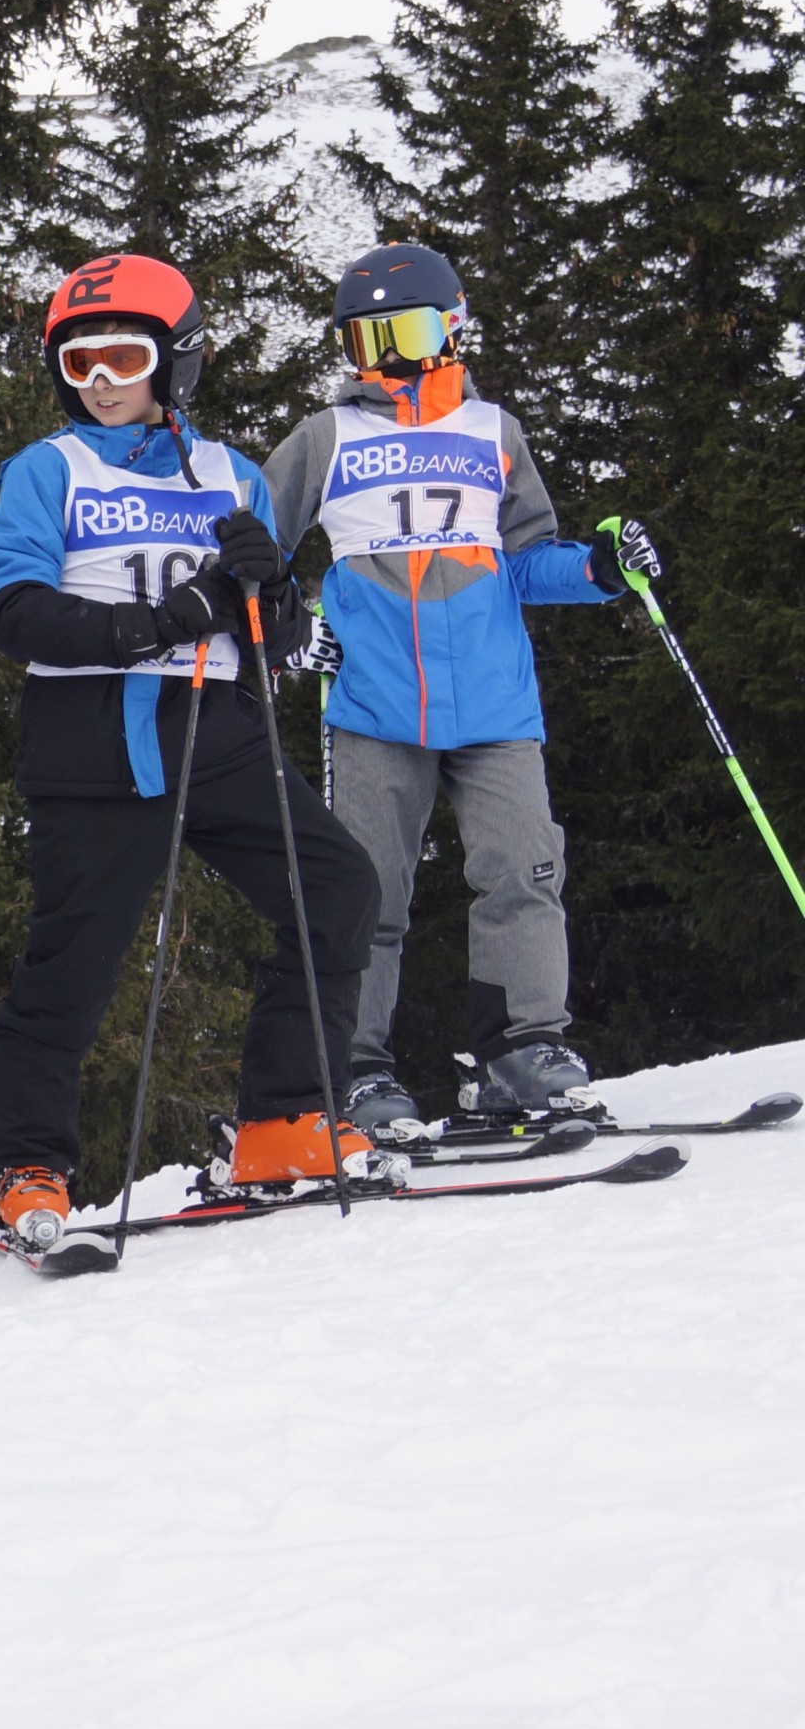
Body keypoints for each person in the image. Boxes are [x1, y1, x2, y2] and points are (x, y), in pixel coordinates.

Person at [0, 254, 389, 1250]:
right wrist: (157, 623)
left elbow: (278, 636)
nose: (100, 380)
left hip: (220, 732)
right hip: (94, 742)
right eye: (78, 363)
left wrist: (269, 590)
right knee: (76, 961)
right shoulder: (49, 470)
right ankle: (29, 1165)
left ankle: (284, 1122)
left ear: (176, 360)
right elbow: (10, 609)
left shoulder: (231, 474)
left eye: (123, 357)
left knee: (336, 890)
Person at [263, 244, 636, 1130]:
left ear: (452, 329)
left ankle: (521, 1050)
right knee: (368, 892)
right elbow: (254, 551)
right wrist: (289, 627)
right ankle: (357, 1069)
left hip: (496, 700)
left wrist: (600, 568)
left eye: (410, 332)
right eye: (369, 340)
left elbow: (528, 558)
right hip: (373, 703)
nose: (390, 357)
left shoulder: (494, 432)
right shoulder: (325, 436)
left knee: (524, 871)